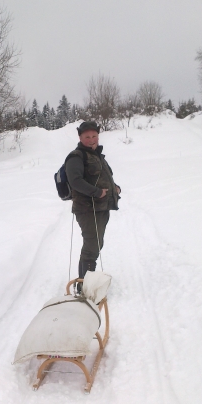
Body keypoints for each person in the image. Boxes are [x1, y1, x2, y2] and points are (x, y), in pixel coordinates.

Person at [65, 121, 120, 286]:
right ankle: (84, 286)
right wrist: (97, 192)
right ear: (80, 137)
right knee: (91, 246)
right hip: (87, 210)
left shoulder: (97, 156)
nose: (91, 139)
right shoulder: (76, 156)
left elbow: (103, 178)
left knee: (96, 244)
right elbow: (75, 182)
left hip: (101, 208)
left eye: (94, 136)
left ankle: (87, 281)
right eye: (87, 136)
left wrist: (114, 188)